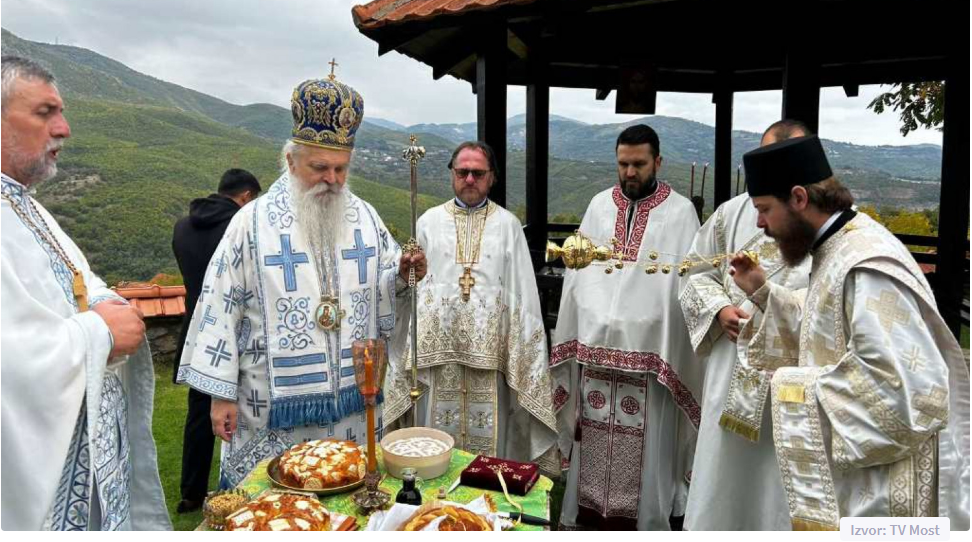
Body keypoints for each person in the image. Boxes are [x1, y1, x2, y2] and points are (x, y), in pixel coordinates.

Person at [176, 70, 425, 488]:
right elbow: (220, 306)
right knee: (275, 505)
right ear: (290, 160)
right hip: (270, 407)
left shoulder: (365, 217)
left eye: (341, 168)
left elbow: (384, 289)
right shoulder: (251, 224)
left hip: (352, 403)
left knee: (349, 496)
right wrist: (220, 395)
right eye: (319, 167)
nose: (333, 180)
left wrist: (402, 275)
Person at [730, 134, 970, 529]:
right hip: (859, 475)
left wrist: (791, 386)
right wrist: (765, 293)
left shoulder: (865, 265)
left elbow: (907, 390)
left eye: (764, 209)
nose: (760, 224)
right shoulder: (836, 246)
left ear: (799, 198)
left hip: (885, 492)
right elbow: (826, 324)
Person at [1, 55, 170, 530]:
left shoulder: (27, 207)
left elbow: (78, 282)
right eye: (44, 113)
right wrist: (98, 333)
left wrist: (103, 304)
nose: (64, 128)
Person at [552, 124, 702, 530]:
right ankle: (586, 519)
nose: (630, 172)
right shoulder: (599, 205)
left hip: (652, 356)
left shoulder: (681, 212)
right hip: (596, 351)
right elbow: (579, 273)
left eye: (639, 164)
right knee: (592, 436)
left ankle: (645, 523)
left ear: (658, 162)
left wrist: (645, 321)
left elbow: (685, 283)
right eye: (623, 164)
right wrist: (593, 319)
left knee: (648, 445)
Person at [386, 141, 558, 468]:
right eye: (462, 171)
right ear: (452, 173)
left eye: (478, 173)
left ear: (492, 177)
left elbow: (522, 294)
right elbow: (412, 286)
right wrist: (406, 273)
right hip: (437, 360)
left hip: (491, 358)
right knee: (433, 449)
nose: (469, 179)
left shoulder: (508, 225)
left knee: (490, 455)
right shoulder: (428, 222)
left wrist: (522, 353)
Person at [679, 120, 813, 530]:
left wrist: (769, 302)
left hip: (791, 382)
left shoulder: (823, 221)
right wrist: (719, 309)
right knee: (722, 475)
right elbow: (694, 271)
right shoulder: (732, 213)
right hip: (729, 364)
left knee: (774, 484)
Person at [171, 168, 261, 512]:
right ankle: (246, 479)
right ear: (246, 197)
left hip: (197, 331)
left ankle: (191, 492)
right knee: (242, 408)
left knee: (198, 414)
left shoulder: (182, 227)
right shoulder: (241, 229)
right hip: (234, 332)